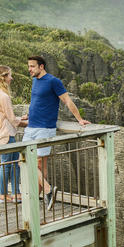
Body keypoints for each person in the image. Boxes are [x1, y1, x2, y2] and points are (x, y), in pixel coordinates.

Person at [23, 55, 90, 208]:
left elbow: (67, 100)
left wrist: (79, 119)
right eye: (29, 66)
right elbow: (37, 101)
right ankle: (44, 195)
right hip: (31, 126)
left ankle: (45, 192)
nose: (29, 69)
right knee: (32, 163)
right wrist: (29, 115)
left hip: (45, 128)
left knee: (36, 163)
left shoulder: (53, 81)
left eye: (32, 66)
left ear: (41, 67)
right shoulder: (35, 81)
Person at [0, 65, 27, 203]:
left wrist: (19, 118)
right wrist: (28, 123)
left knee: (10, 164)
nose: (11, 78)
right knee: (8, 165)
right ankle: (8, 195)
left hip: (0, 132)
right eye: (9, 75)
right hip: (7, 134)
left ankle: (10, 194)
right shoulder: (4, 96)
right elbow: (12, 119)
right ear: (4, 77)